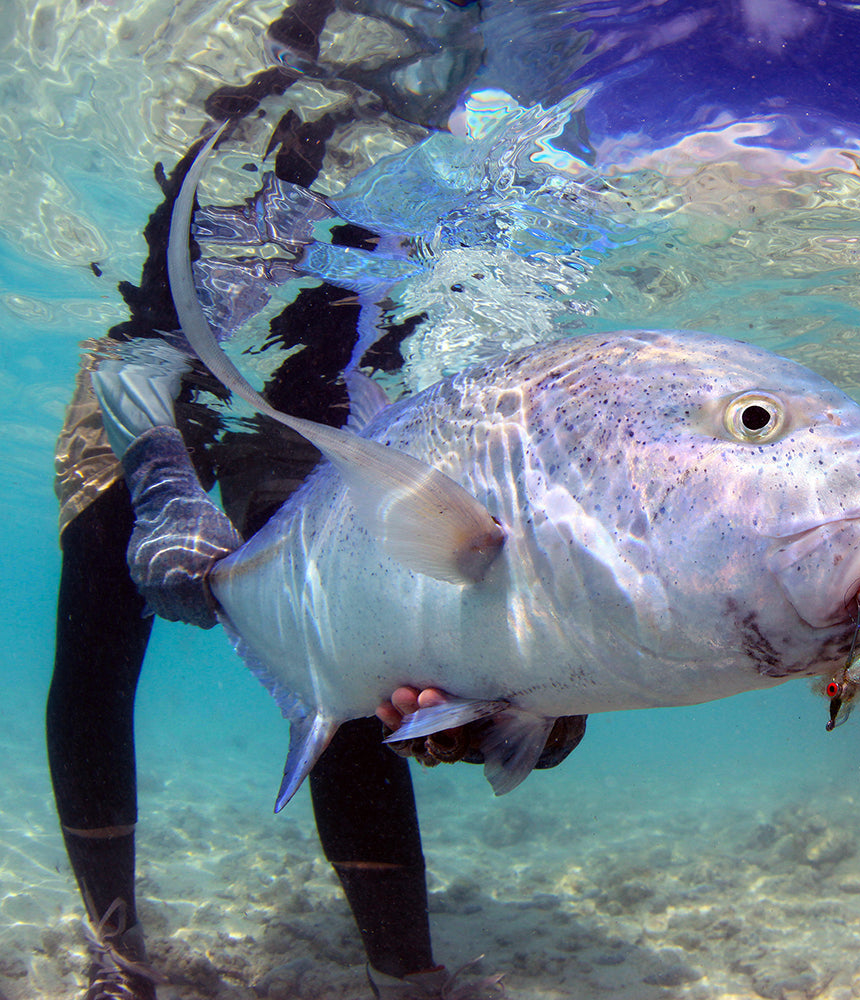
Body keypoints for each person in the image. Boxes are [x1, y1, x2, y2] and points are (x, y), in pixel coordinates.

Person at [45, 2, 583, 996]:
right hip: (160, 384)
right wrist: (164, 487)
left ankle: (407, 974)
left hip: (329, 412)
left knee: (343, 641)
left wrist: (542, 693)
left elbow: (481, 449)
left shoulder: (473, 233)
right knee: (100, 589)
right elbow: (140, 360)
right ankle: (118, 954)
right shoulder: (239, 173)